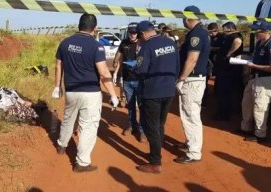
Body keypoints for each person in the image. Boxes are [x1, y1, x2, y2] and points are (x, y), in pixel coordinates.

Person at [52, 13, 119, 173]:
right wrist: (113, 94)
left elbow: (58, 66)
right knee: (88, 126)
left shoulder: (65, 43)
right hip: (90, 93)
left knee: (68, 119)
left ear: (79, 26)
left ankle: (62, 146)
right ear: (95, 29)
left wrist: (57, 86)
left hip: (71, 91)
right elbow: (104, 73)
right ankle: (81, 163)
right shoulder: (96, 46)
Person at [134, 21, 180, 173]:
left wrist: (134, 67)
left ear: (142, 34)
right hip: (169, 90)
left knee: (151, 126)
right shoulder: (170, 43)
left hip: (152, 92)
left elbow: (141, 71)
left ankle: (155, 163)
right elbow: (177, 66)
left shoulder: (146, 47)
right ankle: (156, 153)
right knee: (160, 124)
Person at [175, 5, 210, 164]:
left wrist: (181, 78)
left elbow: (192, 59)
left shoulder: (197, 34)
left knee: (190, 115)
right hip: (195, 78)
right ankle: (191, 143)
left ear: (188, 18)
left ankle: (194, 152)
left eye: (183, 18)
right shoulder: (201, 32)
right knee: (190, 114)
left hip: (192, 79)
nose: (182, 20)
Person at [240, 21, 271, 143]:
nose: (255, 32)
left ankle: (260, 134)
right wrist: (245, 59)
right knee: (246, 104)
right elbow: (255, 59)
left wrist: (255, 65)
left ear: (266, 31)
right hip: (254, 78)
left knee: (260, 107)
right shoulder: (259, 43)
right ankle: (245, 128)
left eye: (258, 30)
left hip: (264, 79)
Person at [113, 22, 146, 142]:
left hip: (140, 80)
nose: (133, 34)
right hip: (127, 79)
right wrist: (116, 61)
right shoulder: (124, 42)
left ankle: (142, 130)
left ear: (138, 33)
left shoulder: (143, 43)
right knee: (131, 105)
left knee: (142, 106)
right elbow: (119, 53)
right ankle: (133, 125)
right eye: (131, 32)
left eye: (135, 32)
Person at [214, 22, 244, 120]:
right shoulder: (228, 37)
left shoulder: (235, 36)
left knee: (225, 92)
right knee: (223, 92)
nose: (223, 31)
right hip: (224, 69)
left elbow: (238, 41)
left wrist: (229, 54)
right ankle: (223, 113)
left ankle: (224, 115)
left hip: (228, 70)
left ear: (230, 29)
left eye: (225, 29)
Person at [202, 22, 224, 106]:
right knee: (205, 80)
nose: (211, 33)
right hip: (208, 61)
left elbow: (223, 48)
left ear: (217, 30)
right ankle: (205, 101)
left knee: (218, 81)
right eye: (210, 32)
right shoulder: (207, 37)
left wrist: (211, 48)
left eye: (213, 31)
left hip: (218, 62)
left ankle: (217, 97)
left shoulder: (222, 37)